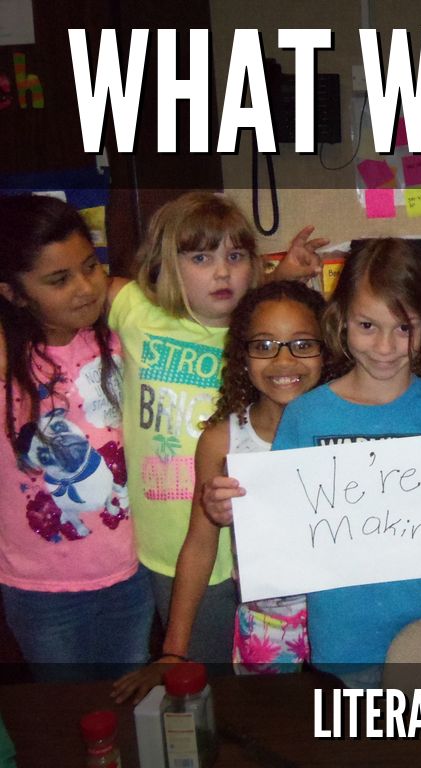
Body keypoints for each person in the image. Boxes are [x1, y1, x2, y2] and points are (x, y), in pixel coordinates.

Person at [107, 191, 325, 664]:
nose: (222, 272)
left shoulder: (254, 337)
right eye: (201, 258)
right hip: (174, 547)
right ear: (166, 263)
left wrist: (282, 277)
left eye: (236, 257)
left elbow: (278, 325)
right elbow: (71, 290)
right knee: (205, 674)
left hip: (265, 551)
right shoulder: (135, 310)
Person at [261, 238, 421, 682]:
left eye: (404, 327)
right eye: (367, 325)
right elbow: (279, 524)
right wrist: (237, 507)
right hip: (346, 643)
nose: (385, 346)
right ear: (342, 319)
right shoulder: (306, 417)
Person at [0, 195, 152, 678]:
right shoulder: (7, 361)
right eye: (59, 279)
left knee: (128, 702)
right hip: (39, 592)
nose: (86, 287)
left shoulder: (119, 333)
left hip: (130, 574)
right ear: (14, 293)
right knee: (65, 710)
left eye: (90, 266)